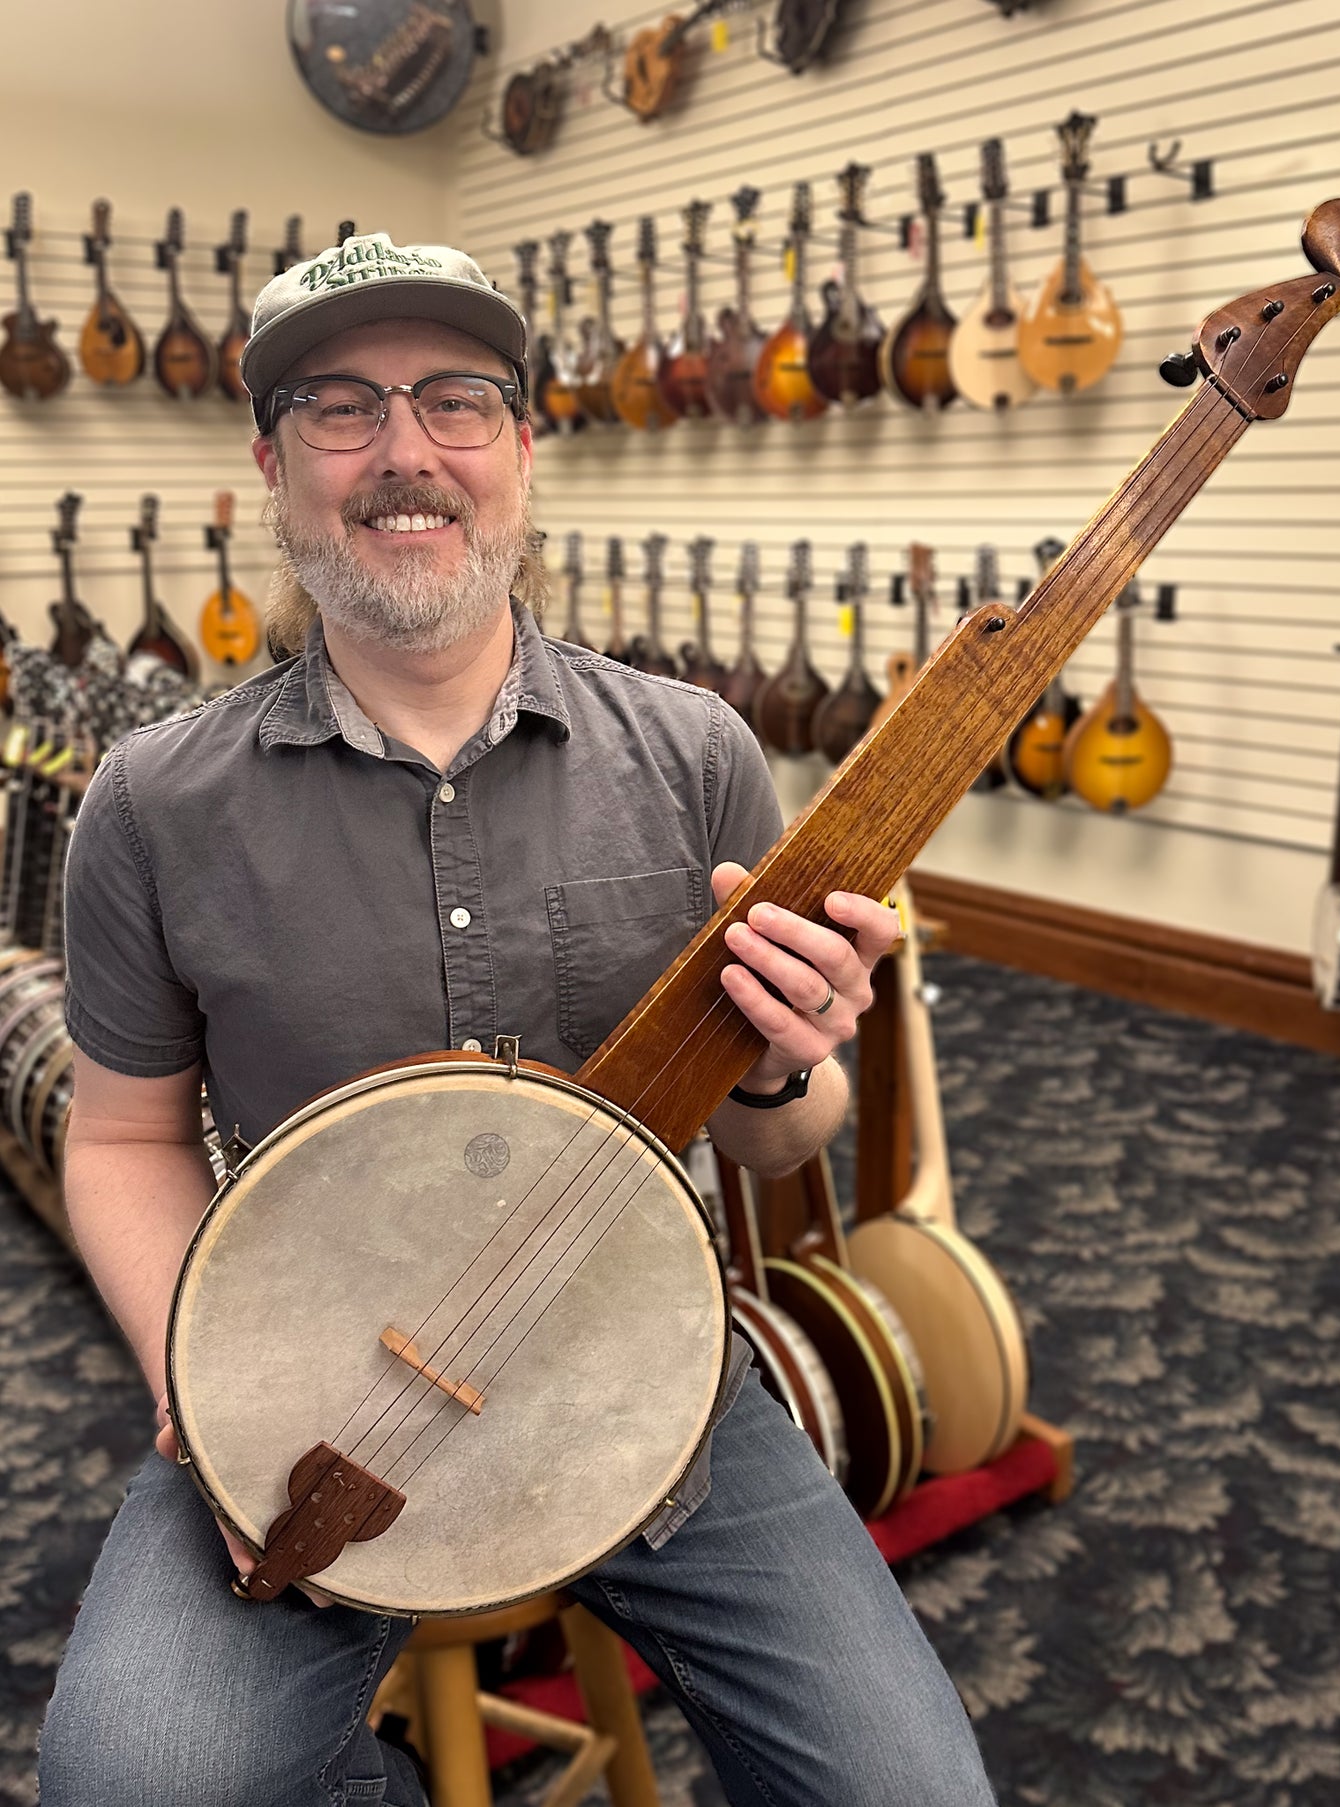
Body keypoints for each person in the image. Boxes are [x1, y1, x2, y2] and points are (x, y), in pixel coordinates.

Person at [39, 233, 997, 1806]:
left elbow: (782, 1146)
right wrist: (207, 1397)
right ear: (273, 467)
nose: (404, 451)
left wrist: (786, 1066)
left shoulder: (697, 756)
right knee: (130, 1789)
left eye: (456, 400)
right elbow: (126, 1137)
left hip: (655, 1376)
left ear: (523, 450)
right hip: (309, 1394)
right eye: (340, 407)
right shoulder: (150, 806)